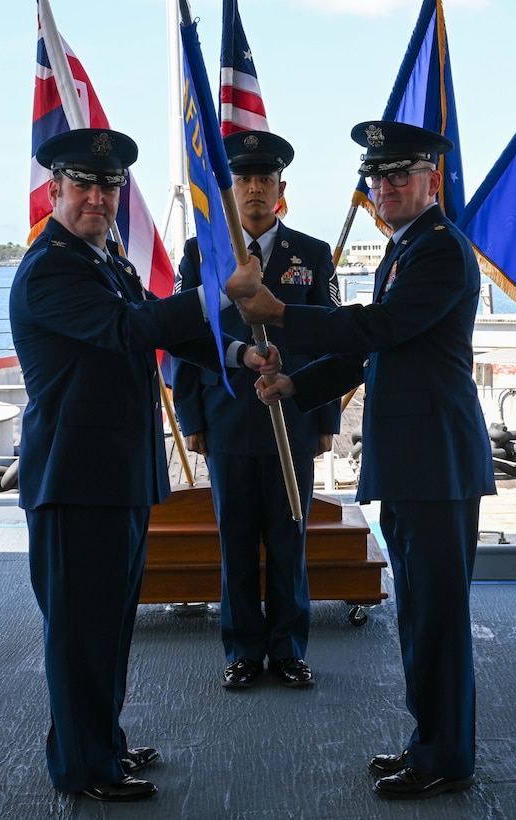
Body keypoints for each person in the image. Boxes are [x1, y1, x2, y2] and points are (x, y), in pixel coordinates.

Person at [229, 121, 496, 800]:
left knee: (436, 616)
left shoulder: (438, 251)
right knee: (420, 613)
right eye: (377, 177)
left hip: (435, 462)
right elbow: (371, 348)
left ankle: (445, 758)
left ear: (431, 178)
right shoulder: (406, 249)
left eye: (400, 175)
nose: (386, 187)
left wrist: (281, 312)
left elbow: (377, 328)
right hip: (414, 459)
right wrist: (297, 386)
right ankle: (429, 742)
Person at [9, 127, 269, 802]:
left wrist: (237, 355)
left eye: (109, 187)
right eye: (84, 185)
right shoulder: (51, 268)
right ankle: (84, 768)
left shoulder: (108, 264)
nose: (97, 196)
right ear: (56, 190)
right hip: (75, 480)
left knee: (108, 625)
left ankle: (103, 743)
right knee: (80, 632)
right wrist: (222, 292)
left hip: (115, 475)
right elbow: (128, 331)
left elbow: (163, 325)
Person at [172, 130, 341, 690]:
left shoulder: (312, 256)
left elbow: (333, 345)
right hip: (225, 420)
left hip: (293, 422)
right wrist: (192, 419)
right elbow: (186, 340)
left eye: (264, 179)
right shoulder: (203, 254)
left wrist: (325, 422)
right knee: (236, 539)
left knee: (290, 537)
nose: (253, 189)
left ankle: (289, 648)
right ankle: (243, 649)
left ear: (281, 189)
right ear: (230, 191)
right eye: (243, 179)